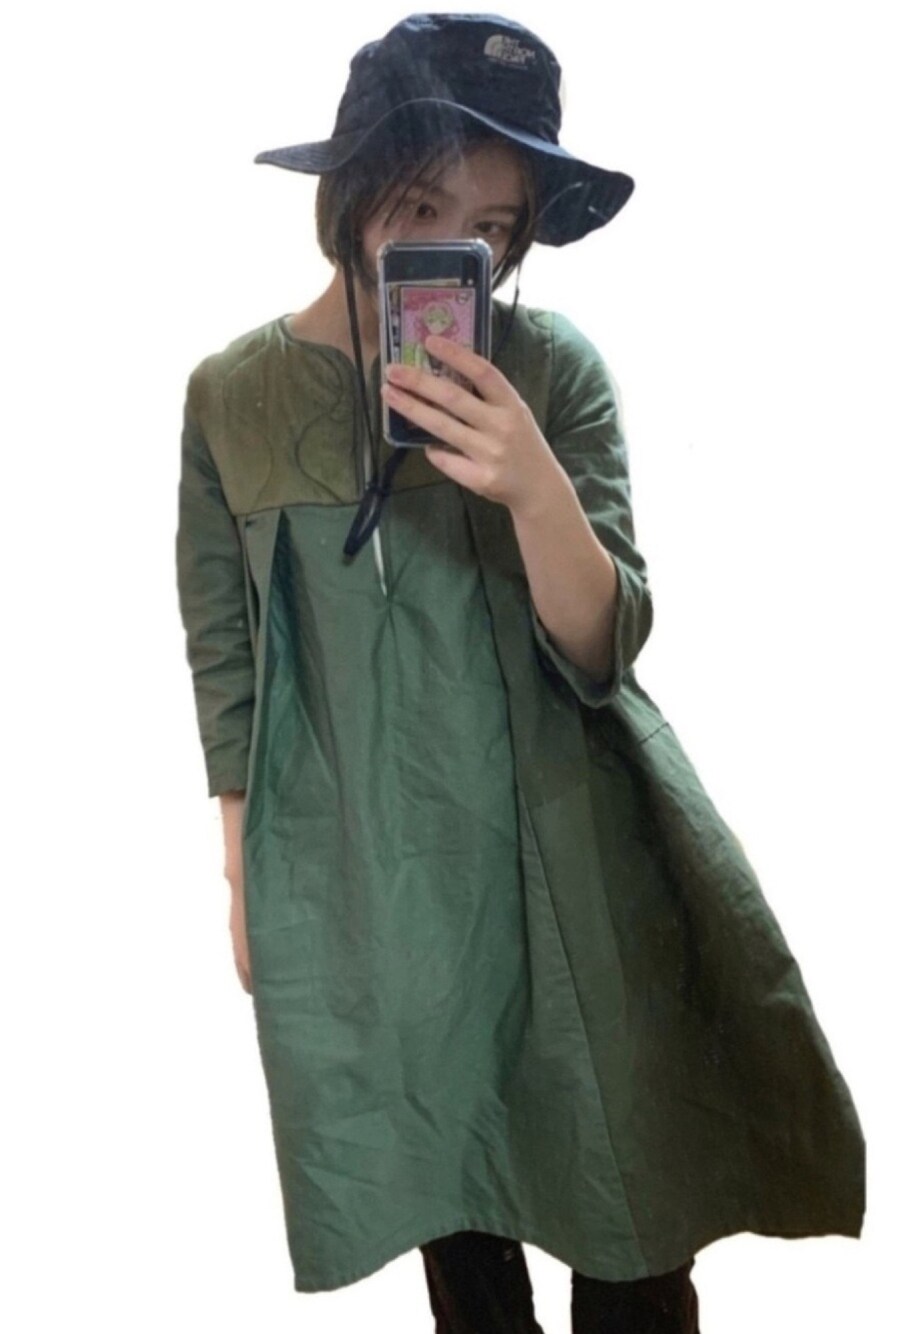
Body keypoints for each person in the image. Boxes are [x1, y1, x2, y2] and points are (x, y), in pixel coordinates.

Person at [175, 13, 865, 1332]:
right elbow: (229, 653)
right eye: (422, 206)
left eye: (492, 226)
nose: (460, 245)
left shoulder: (554, 368)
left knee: (630, 1192)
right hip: (386, 868)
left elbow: (604, 644)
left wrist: (533, 482)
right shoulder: (232, 397)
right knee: (455, 1186)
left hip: (574, 845)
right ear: (351, 190)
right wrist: (243, 867)